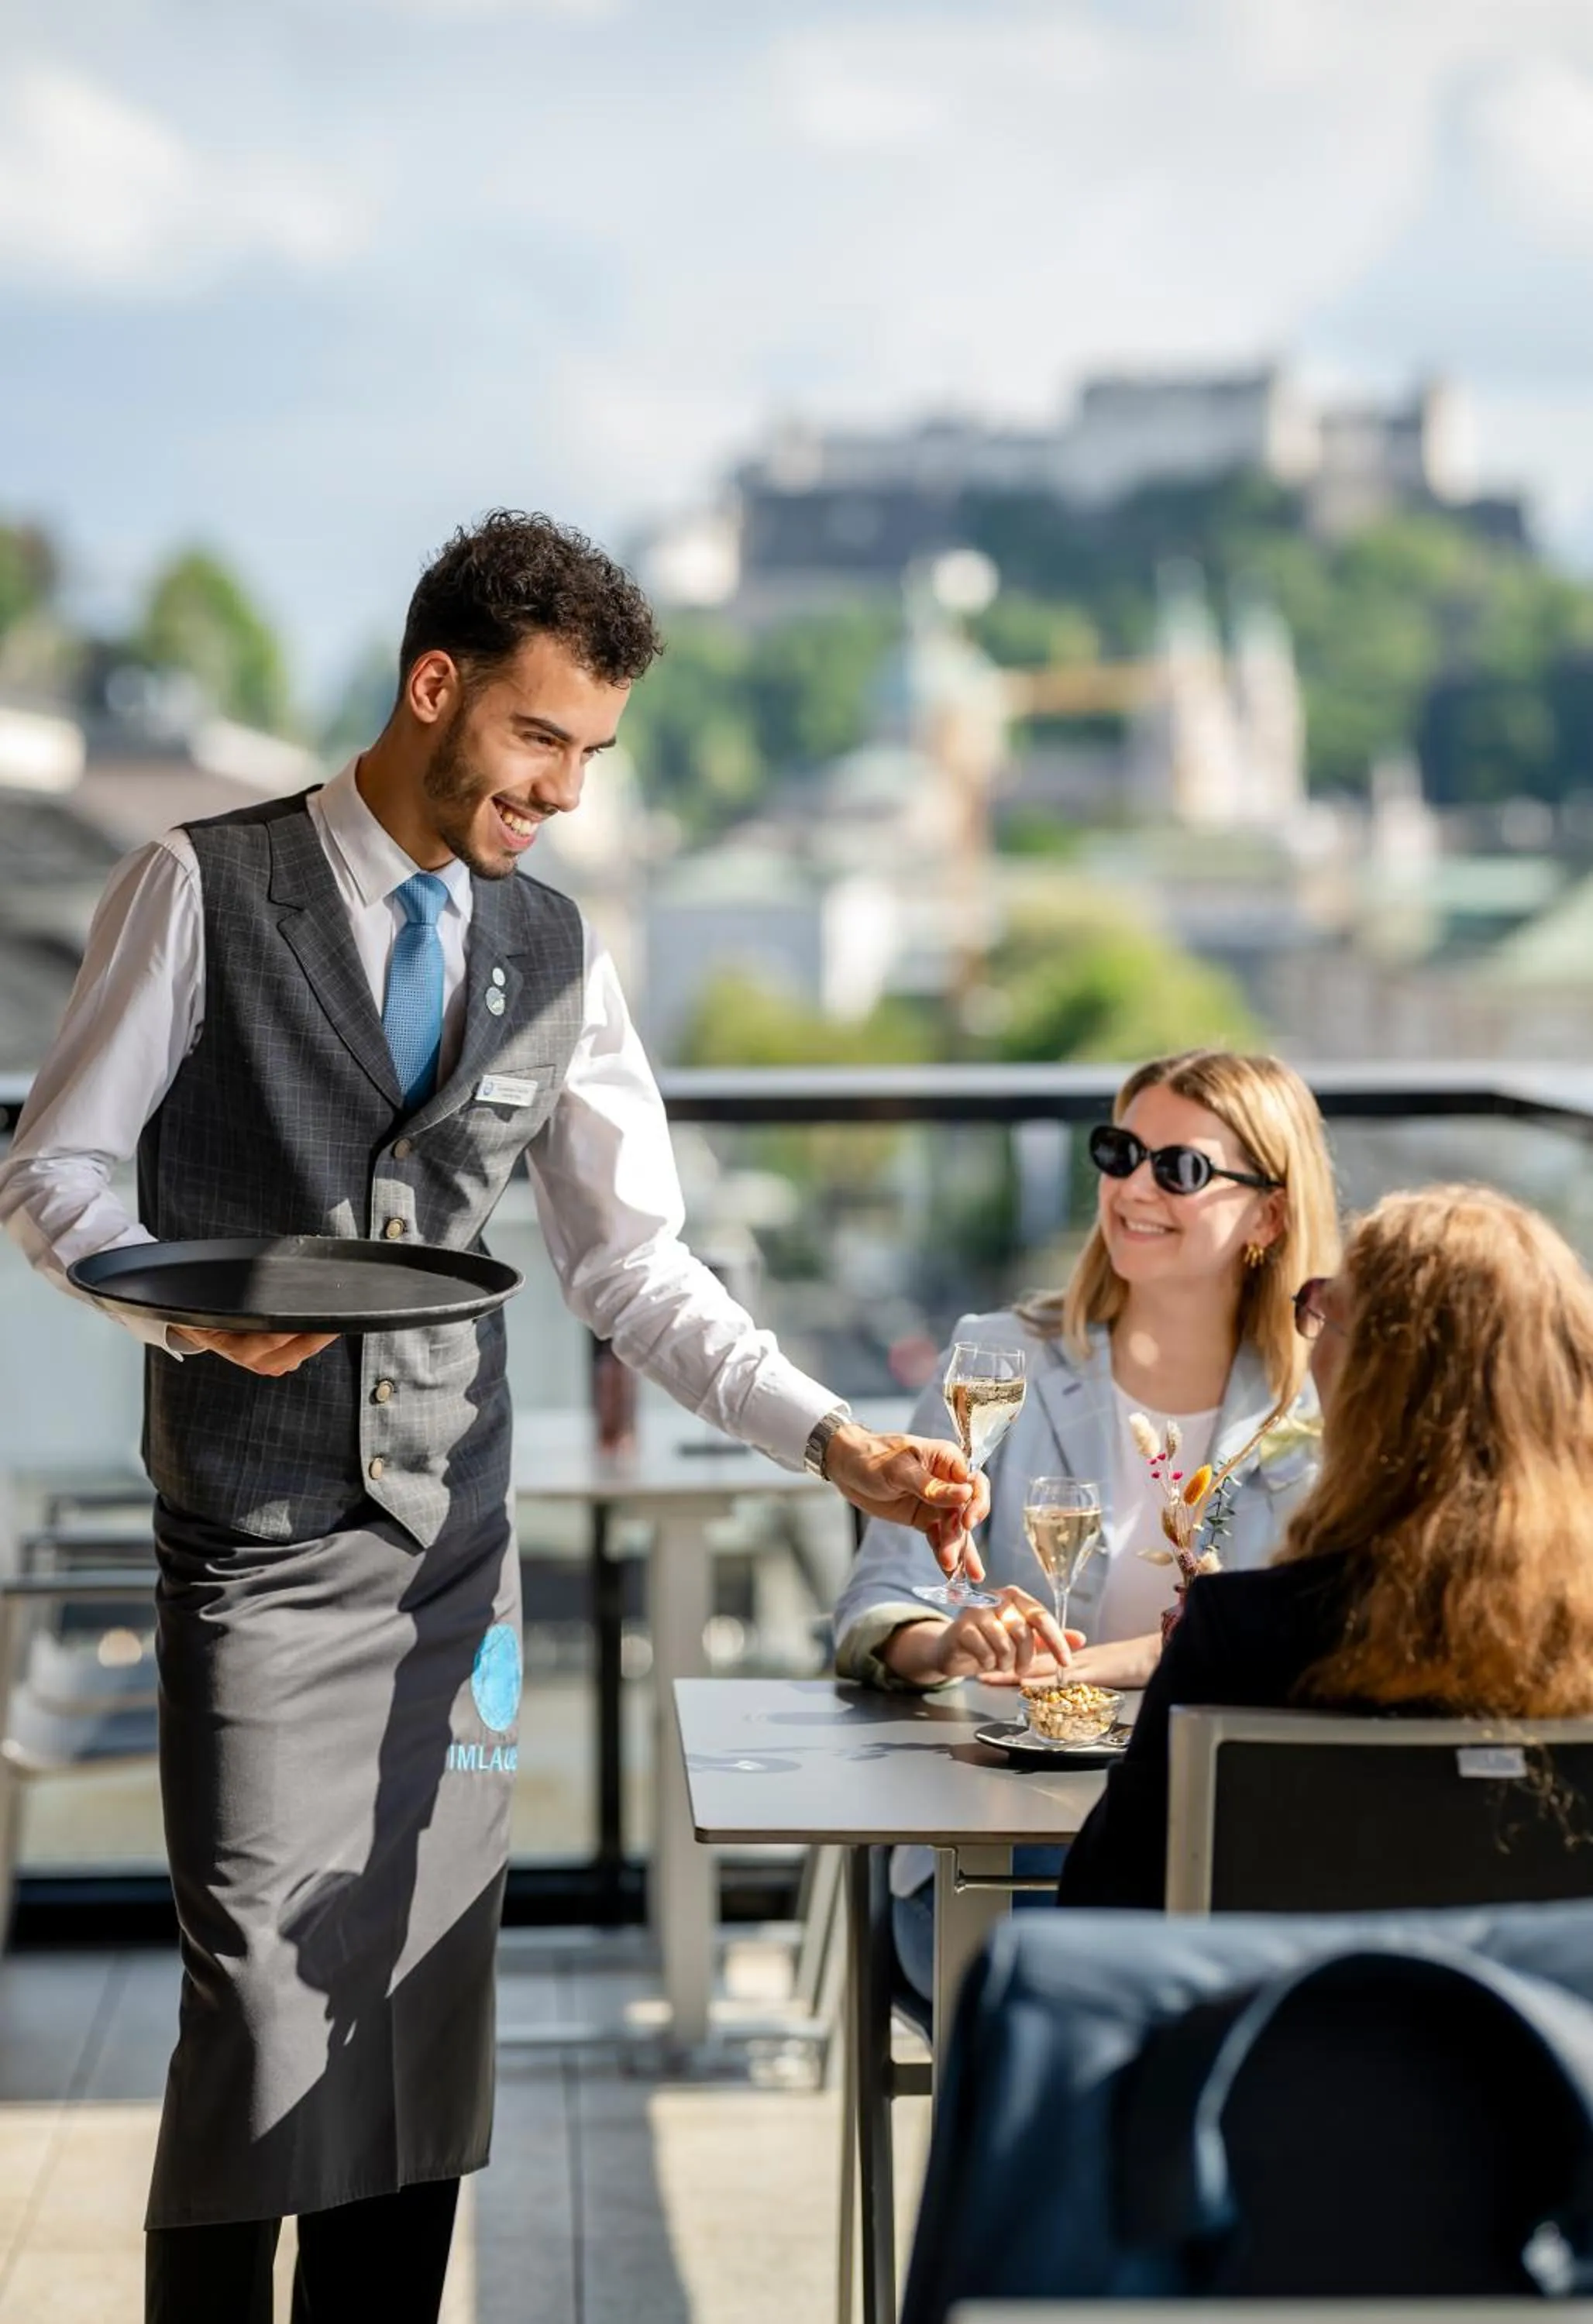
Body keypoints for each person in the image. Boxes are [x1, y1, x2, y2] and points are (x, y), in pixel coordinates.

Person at [0, 511, 986, 2324]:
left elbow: (635, 1267)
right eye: (539, 737)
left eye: (591, 754)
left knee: (423, 2001)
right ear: (433, 685)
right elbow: (53, 1169)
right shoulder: (196, 884)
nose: (563, 793)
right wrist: (181, 1300)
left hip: (454, 1556)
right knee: (262, 2002)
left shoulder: (554, 945)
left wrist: (830, 1436)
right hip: (256, 1539)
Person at [833, 1048, 1340, 1999]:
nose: (1133, 1187)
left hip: (1234, 1859)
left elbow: (1332, 1636)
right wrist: (944, 1642)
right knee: (1087, 1996)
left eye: (1178, 1168)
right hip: (1005, 1849)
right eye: (1120, 1153)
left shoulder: (1320, 1400)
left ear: (1268, 1216)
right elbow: (877, 1599)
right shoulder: (995, 1360)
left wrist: (1119, 1662)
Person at [1058, 1182, 1593, 1908]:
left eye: (1325, 1312)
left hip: (1280, 1987)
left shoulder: (1239, 1635)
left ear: (1367, 1385)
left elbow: (1101, 1909)